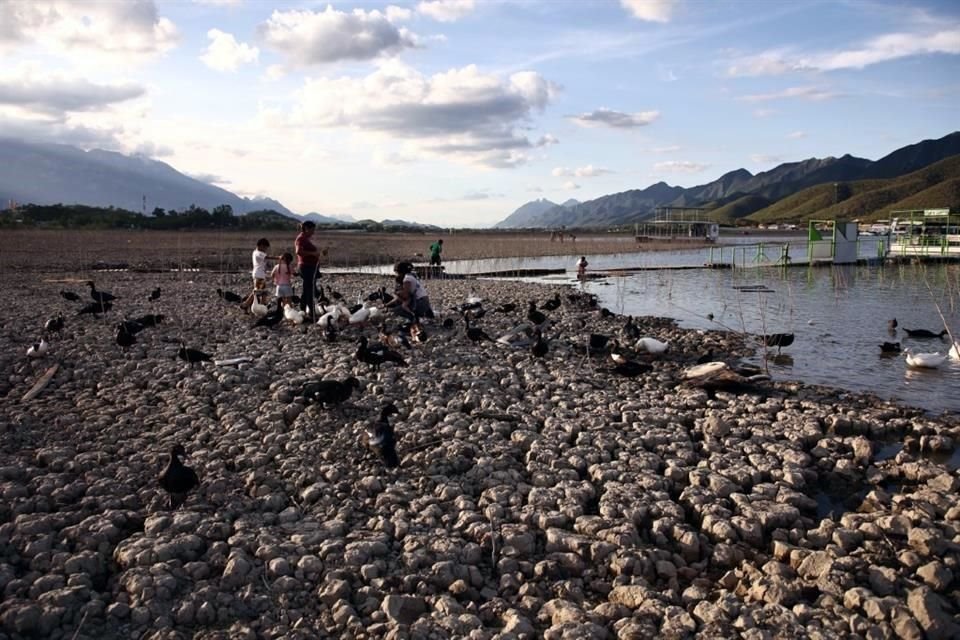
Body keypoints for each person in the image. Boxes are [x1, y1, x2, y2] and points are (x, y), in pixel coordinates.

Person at [295, 221, 321, 321]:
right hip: (306, 267)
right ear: (307, 229)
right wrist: (313, 254)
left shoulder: (305, 239)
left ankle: (302, 309)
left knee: (307, 289)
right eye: (312, 230)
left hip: (310, 266)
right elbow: (298, 251)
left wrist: (317, 254)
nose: (313, 232)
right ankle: (312, 313)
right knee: (310, 289)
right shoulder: (301, 238)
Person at [242, 238, 270, 312]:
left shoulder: (256, 252)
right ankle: (245, 304)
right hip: (259, 274)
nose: (265, 249)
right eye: (265, 248)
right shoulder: (258, 253)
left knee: (263, 292)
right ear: (261, 246)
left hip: (260, 274)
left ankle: (263, 306)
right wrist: (279, 258)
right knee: (257, 291)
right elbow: (267, 257)